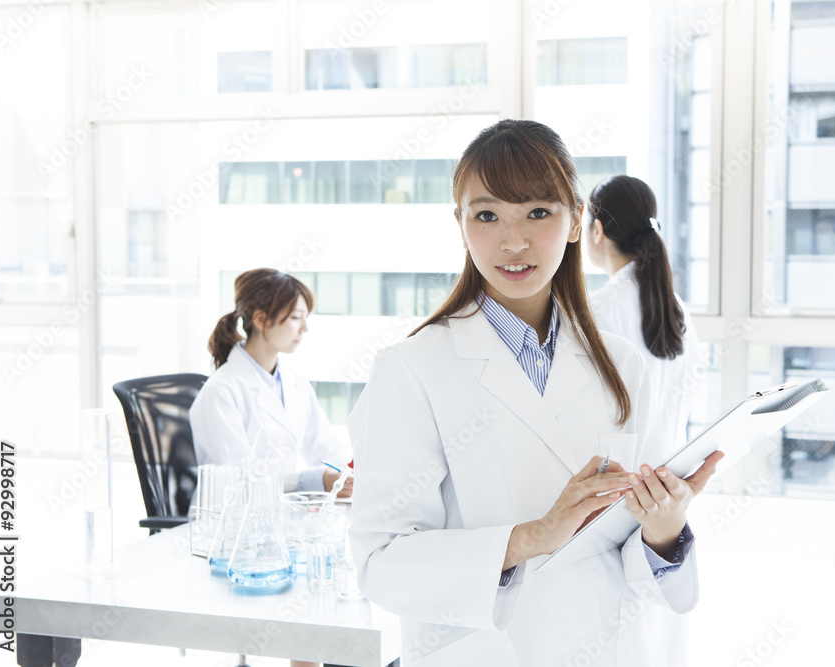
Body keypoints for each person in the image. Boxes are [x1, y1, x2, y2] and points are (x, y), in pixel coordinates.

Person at [348, 120, 722, 666]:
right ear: (461, 225)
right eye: (487, 215)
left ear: (576, 221)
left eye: (538, 213)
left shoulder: (621, 365)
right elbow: (380, 562)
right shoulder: (410, 369)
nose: (513, 241)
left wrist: (664, 530)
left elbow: (636, 563)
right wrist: (531, 537)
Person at [190, 268, 353, 496]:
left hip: (278, 511)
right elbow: (240, 476)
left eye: (305, 318)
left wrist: (352, 470)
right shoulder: (220, 391)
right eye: (295, 317)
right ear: (261, 320)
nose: (305, 328)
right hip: (227, 513)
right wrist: (315, 480)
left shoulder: (295, 383)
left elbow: (325, 447)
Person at [585, 175, 703, 454]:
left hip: (618, 477)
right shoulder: (676, 308)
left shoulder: (597, 311)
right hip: (670, 473)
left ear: (597, 230)